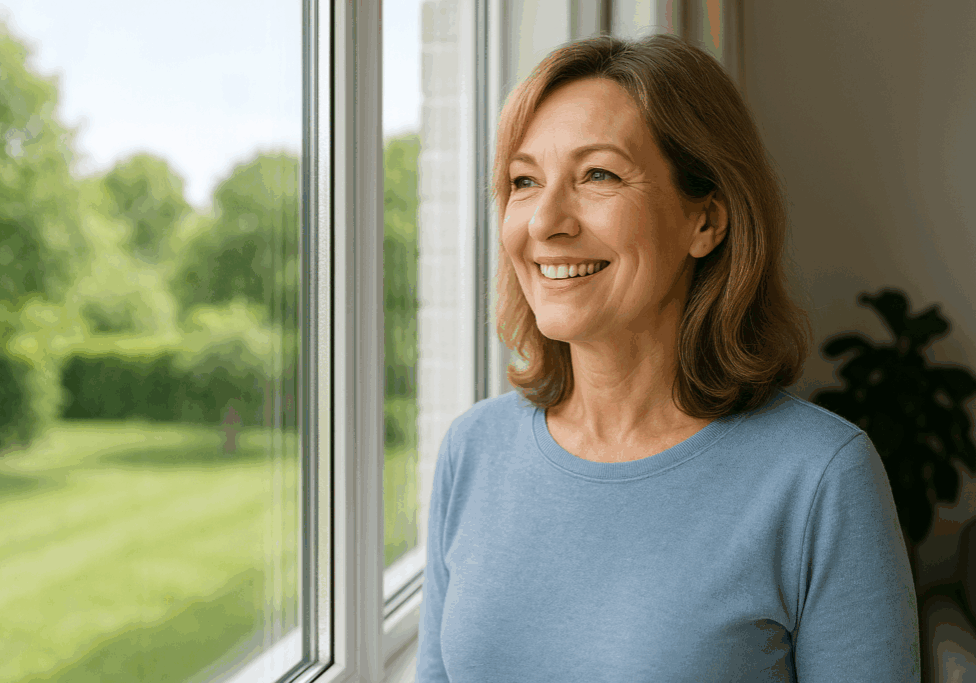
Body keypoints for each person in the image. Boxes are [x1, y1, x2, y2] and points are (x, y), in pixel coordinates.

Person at [416, 33, 919, 682]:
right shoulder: (473, 450)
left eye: (598, 174)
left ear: (705, 220)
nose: (544, 221)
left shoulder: (820, 478)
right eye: (523, 181)